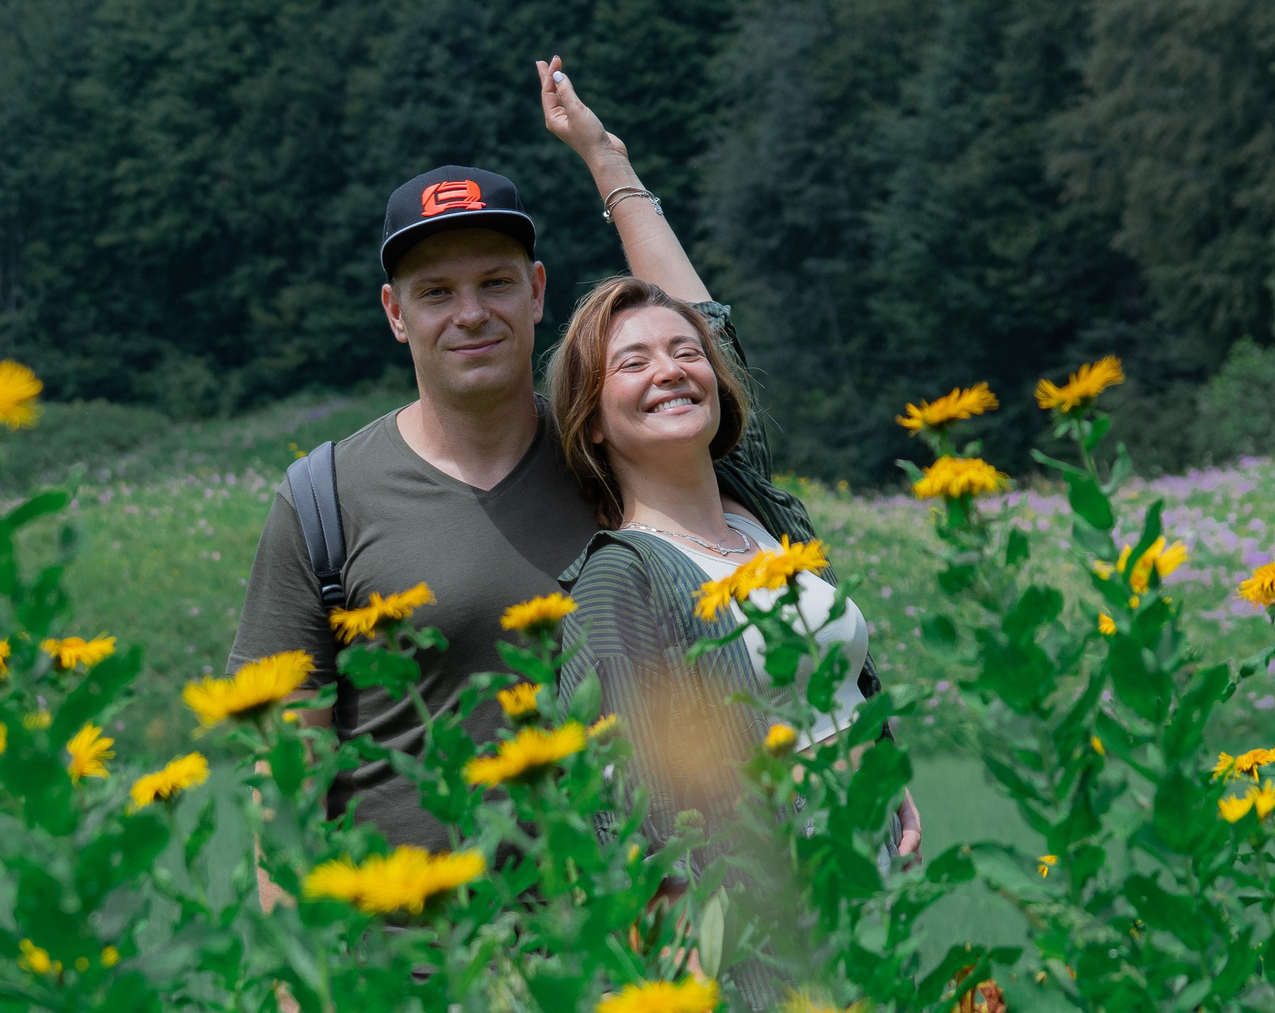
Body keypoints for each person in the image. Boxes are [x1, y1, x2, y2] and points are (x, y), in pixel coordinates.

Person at [229, 57, 919, 860]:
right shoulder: (325, 498)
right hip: (404, 961)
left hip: (607, 946)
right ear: (394, 312)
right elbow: (280, 774)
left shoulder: (608, 457)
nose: (472, 313)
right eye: (437, 292)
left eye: (496, 281)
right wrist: (291, 986)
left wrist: (610, 165)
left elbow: (701, 348)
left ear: (538, 291)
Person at [539, 72, 920, 904]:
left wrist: (608, 159)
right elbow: (624, 809)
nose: (672, 370)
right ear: (592, 420)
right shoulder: (622, 577)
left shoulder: (766, 519)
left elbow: (706, 320)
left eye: (684, 355)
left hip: (873, 919)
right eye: (631, 364)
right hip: (760, 949)